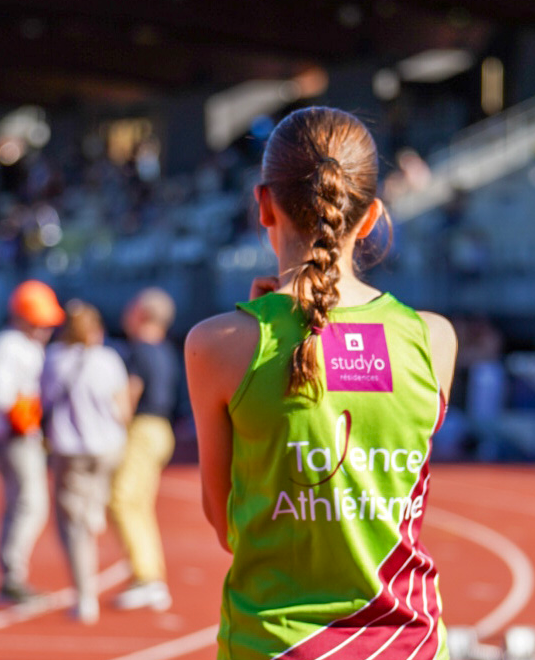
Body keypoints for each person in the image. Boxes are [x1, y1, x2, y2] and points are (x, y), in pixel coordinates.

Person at [185, 106, 458, 660]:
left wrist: (262, 324)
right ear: (373, 215)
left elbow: (226, 523)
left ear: (263, 205)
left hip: (275, 646)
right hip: (408, 647)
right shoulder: (434, 340)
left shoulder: (215, 345)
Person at [41, 300, 131, 624]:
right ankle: (96, 506)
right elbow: (123, 410)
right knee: (90, 502)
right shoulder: (109, 360)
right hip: (108, 446)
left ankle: (85, 597)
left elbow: (45, 400)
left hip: (71, 448)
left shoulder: (55, 359)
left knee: (72, 526)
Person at [0, 280, 65, 604]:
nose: (46, 329)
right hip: (14, 439)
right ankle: (12, 577)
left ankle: (11, 576)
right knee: (30, 504)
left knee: (21, 504)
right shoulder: (9, 346)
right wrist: (25, 413)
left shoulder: (27, 346)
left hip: (23, 437)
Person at [109, 288, 179, 611]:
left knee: (121, 500)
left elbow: (130, 396)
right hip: (162, 430)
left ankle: (146, 578)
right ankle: (150, 575)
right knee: (139, 505)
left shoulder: (138, 350)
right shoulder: (168, 351)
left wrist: (112, 428)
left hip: (142, 429)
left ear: (142, 314)